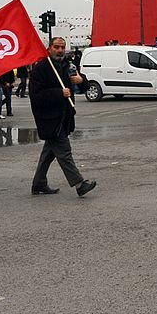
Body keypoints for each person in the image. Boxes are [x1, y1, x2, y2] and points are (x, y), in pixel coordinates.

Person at [29, 37, 96, 197]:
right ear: (49, 48)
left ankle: (39, 183)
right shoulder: (41, 69)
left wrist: (82, 81)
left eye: (62, 47)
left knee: (49, 152)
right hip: (50, 119)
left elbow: (82, 84)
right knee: (64, 152)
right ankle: (80, 184)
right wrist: (59, 93)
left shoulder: (68, 65)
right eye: (56, 47)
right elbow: (36, 95)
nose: (60, 50)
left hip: (65, 116)